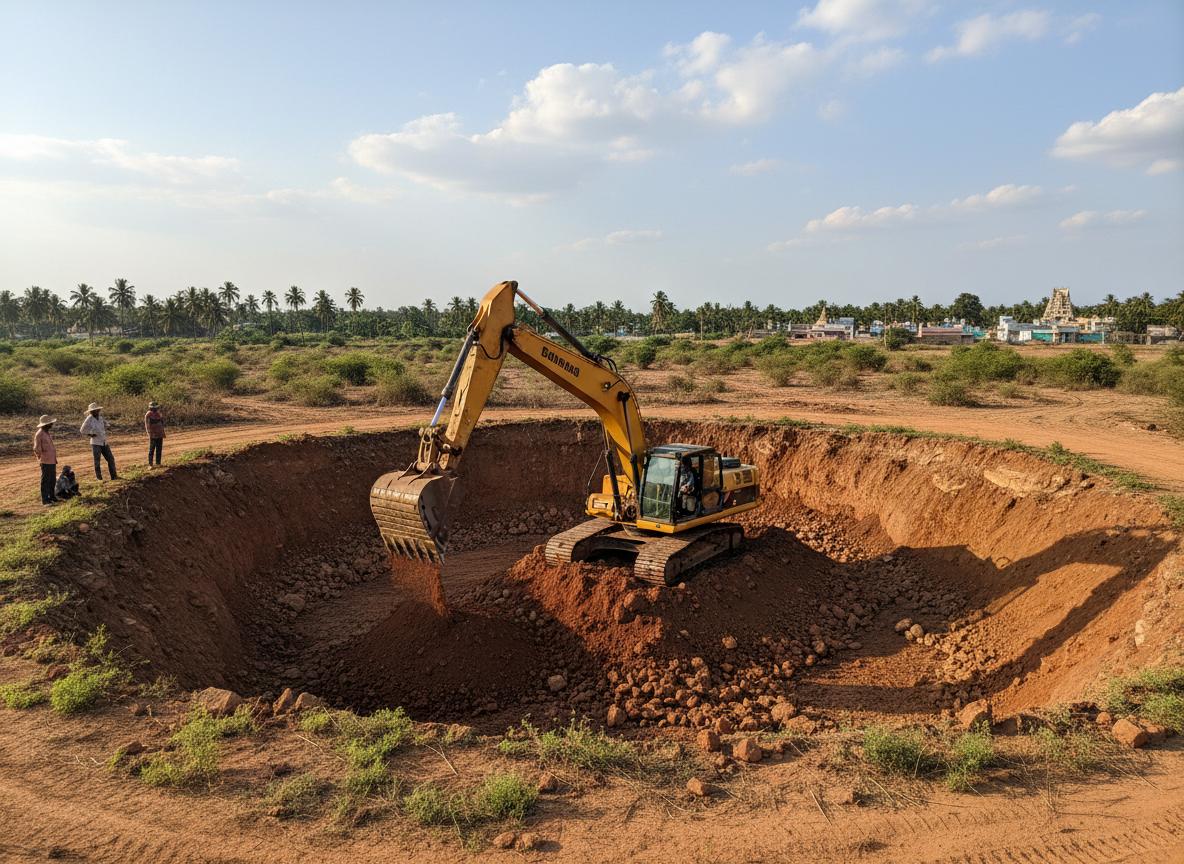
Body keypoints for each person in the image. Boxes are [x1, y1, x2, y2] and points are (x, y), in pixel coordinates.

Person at [80, 402, 118, 480]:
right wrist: (90, 434)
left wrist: (108, 426)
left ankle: (114, 476)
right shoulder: (89, 419)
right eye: (94, 411)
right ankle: (99, 478)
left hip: (104, 441)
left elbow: (105, 423)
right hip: (96, 443)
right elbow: (82, 430)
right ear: (91, 412)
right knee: (97, 462)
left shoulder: (100, 417)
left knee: (111, 459)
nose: (96, 412)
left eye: (97, 410)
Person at [32, 415, 58, 505]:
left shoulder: (46, 432)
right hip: (45, 460)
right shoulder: (39, 434)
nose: (52, 424)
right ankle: (45, 500)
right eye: (50, 423)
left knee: (52, 479)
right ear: (46, 424)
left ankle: (52, 497)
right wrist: (40, 458)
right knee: (46, 480)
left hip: (51, 460)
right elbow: (36, 449)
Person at [144, 401, 165, 466]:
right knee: (151, 450)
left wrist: (162, 432)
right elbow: (147, 425)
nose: (155, 409)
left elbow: (162, 423)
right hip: (153, 434)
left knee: (159, 449)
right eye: (153, 408)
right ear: (150, 408)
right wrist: (149, 434)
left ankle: (158, 463)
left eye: (156, 408)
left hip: (160, 434)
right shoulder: (148, 414)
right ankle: (150, 465)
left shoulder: (159, 413)